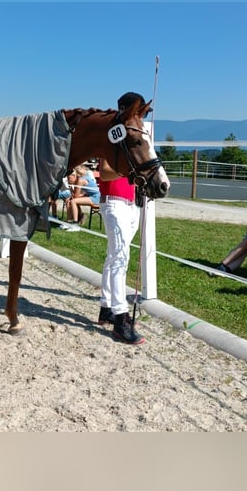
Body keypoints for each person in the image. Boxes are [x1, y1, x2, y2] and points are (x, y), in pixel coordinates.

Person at [97, 91, 146, 345]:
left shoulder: (133, 134)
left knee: (114, 255)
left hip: (131, 202)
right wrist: (129, 165)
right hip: (114, 201)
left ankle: (106, 305)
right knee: (120, 258)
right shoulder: (112, 134)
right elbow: (104, 173)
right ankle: (120, 315)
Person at [65, 164, 100, 228]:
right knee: (69, 200)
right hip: (91, 196)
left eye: (69, 177)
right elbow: (76, 195)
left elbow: (75, 197)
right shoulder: (82, 178)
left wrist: (70, 187)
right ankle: (69, 222)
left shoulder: (80, 180)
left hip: (96, 197)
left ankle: (75, 223)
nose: (68, 179)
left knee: (73, 201)